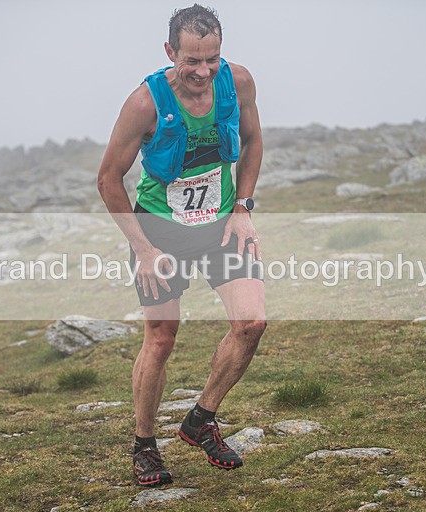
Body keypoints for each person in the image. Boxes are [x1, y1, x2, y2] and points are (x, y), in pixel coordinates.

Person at [97, 4, 266, 486]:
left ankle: (200, 420)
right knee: (162, 338)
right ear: (170, 51)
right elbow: (108, 180)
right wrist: (144, 249)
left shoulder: (239, 82)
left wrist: (243, 208)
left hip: (222, 226)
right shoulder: (144, 104)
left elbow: (253, 142)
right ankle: (145, 446)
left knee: (251, 323)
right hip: (160, 231)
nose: (202, 71)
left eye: (211, 59)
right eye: (191, 60)